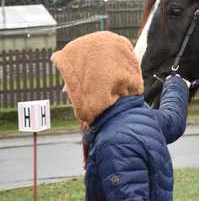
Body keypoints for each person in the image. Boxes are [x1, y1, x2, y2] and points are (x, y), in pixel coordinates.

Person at [51, 31, 190, 201]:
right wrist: (176, 84)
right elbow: (172, 120)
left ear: (95, 80)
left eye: (72, 80)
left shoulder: (115, 143)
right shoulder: (139, 118)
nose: (65, 88)